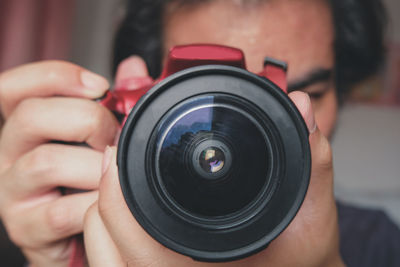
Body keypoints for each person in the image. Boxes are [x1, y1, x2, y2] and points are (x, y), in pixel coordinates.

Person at [0, 0, 399, 266]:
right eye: (203, 93)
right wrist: (63, 257)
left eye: (300, 94)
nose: (248, 127)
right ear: (141, 103)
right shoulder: (82, 231)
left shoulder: (380, 244)